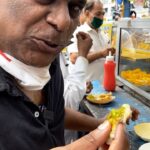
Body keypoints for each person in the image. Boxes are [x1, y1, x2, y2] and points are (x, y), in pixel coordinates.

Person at [0, 0, 138, 150]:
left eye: (74, 7)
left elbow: (53, 111)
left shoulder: (50, 59)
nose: (63, 21)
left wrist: (101, 123)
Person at [68, 0, 115, 81]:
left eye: (103, 14)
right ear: (87, 13)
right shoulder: (79, 33)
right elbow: (74, 59)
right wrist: (100, 54)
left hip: (102, 86)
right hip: (85, 87)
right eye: (98, 14)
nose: (101, 17)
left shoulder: (104, 35)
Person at [60, 32, 93, 144]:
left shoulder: (57, 54)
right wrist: (83, 54)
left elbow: (63, 84)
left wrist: (82, 87)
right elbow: (67, 104)